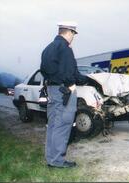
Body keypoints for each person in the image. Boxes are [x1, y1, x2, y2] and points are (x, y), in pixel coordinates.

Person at [40, 21, 88, 168]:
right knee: (63, 125)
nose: (73, 37)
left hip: (53, 90)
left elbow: (44, 70)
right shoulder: (65, 48)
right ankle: (57, 161)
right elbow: (70, 72)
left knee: (53, 126)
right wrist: (81, 80)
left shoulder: (48, 48)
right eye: (73, 34)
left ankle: (51, 159)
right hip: (65, 92)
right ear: (69, 32)